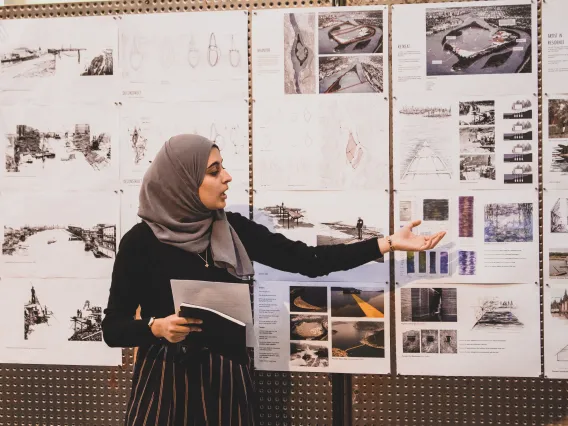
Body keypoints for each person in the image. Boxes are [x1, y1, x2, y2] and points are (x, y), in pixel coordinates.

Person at [102, 134, 446, 426]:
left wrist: (386, 243)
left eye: (223, 168)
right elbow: (113, 328)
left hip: (226, 379)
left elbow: (309, 261)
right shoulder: (140, 242)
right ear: (182, 181)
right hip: (166, 381)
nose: (227, 177)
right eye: (214, 171)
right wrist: (155, 328)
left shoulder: (232, 228)